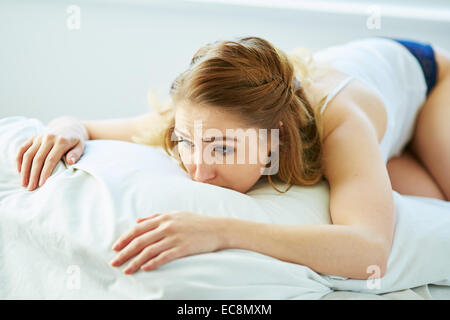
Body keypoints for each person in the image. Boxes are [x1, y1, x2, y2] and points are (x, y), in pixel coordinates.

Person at [15, 36, 450, 279]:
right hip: (383, 112)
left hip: (430, 81)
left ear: (272, 144)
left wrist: (221, 230)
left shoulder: (339, 123)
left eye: (223, 148)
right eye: (187, 143)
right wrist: (62, 129)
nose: (199, 171)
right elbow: (84, 125)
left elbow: (369, 252)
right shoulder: (199, 113)